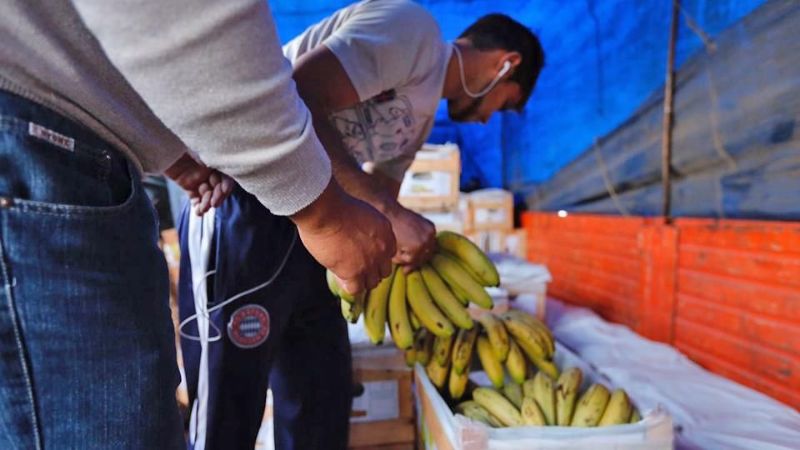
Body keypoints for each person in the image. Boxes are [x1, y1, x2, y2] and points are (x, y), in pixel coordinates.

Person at [0, 0, 396, 449]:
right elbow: (175, 14)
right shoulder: (407, 28)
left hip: (73, 155)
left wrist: (167, 151)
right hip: (41, 155)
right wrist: (324, 213)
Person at [176, 1, 546, 449]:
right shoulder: (414, 31)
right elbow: (298, 96)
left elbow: (383, 194)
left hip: (325, 231)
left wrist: (401, 241)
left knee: (320, 397)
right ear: (506, 65)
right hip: (250, 201)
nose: (489, 118)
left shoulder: (424, 115)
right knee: (227, 404)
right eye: (505, 105)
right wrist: (391, 216)